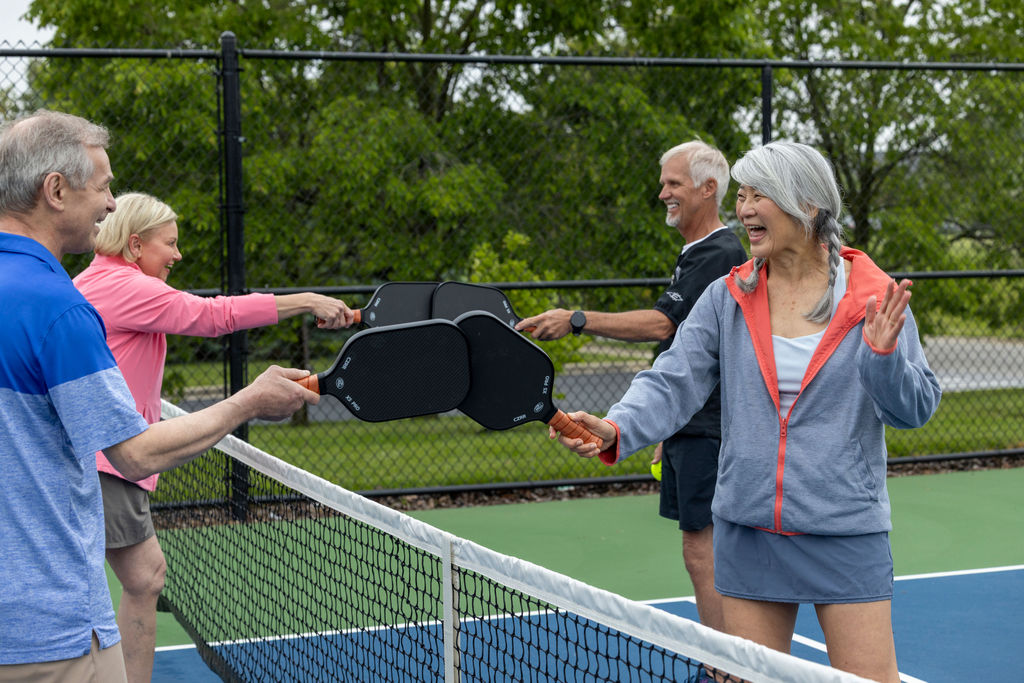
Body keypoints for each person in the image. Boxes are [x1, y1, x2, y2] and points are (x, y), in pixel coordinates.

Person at [552, 141, 941, 682]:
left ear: (807, 206)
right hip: (748, 528)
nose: (744, 208)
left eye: (760, 195)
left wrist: (882, 359)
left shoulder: (876, 299)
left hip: (845, 531)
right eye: (742, 195)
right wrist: (618, 425)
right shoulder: (725, 296)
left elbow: (915, 408)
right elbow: (673, 379)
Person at [0, 109, 320, 682]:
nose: (110, 203)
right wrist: (251, 399)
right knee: (144, 578)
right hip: (46, 634)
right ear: (55, 190)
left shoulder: (67, 293)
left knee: (145, 576)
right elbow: (136, 452)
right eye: (102, 188)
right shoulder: (63, 308)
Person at [72, 191, 354, 682]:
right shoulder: (123, 285)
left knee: (143, 577)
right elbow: (214, 316)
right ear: (135, 245)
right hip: (105, 461)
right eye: (171, 244)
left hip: (105, 456)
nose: (178, 256)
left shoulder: (101, 280)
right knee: (121, 581)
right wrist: (306, 300)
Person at [515, 140, 746, 631]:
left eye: (673, 183)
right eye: (663, 182)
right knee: (698, 550)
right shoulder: (697, 254)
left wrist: (576, 319)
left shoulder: (720, 252)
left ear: (709, 189)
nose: (662, 192)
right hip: (690, 424)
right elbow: (688, 345)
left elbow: (663, 326)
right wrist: (664, 427)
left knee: (704, 551)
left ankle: (727, 667)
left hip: (708, 428)